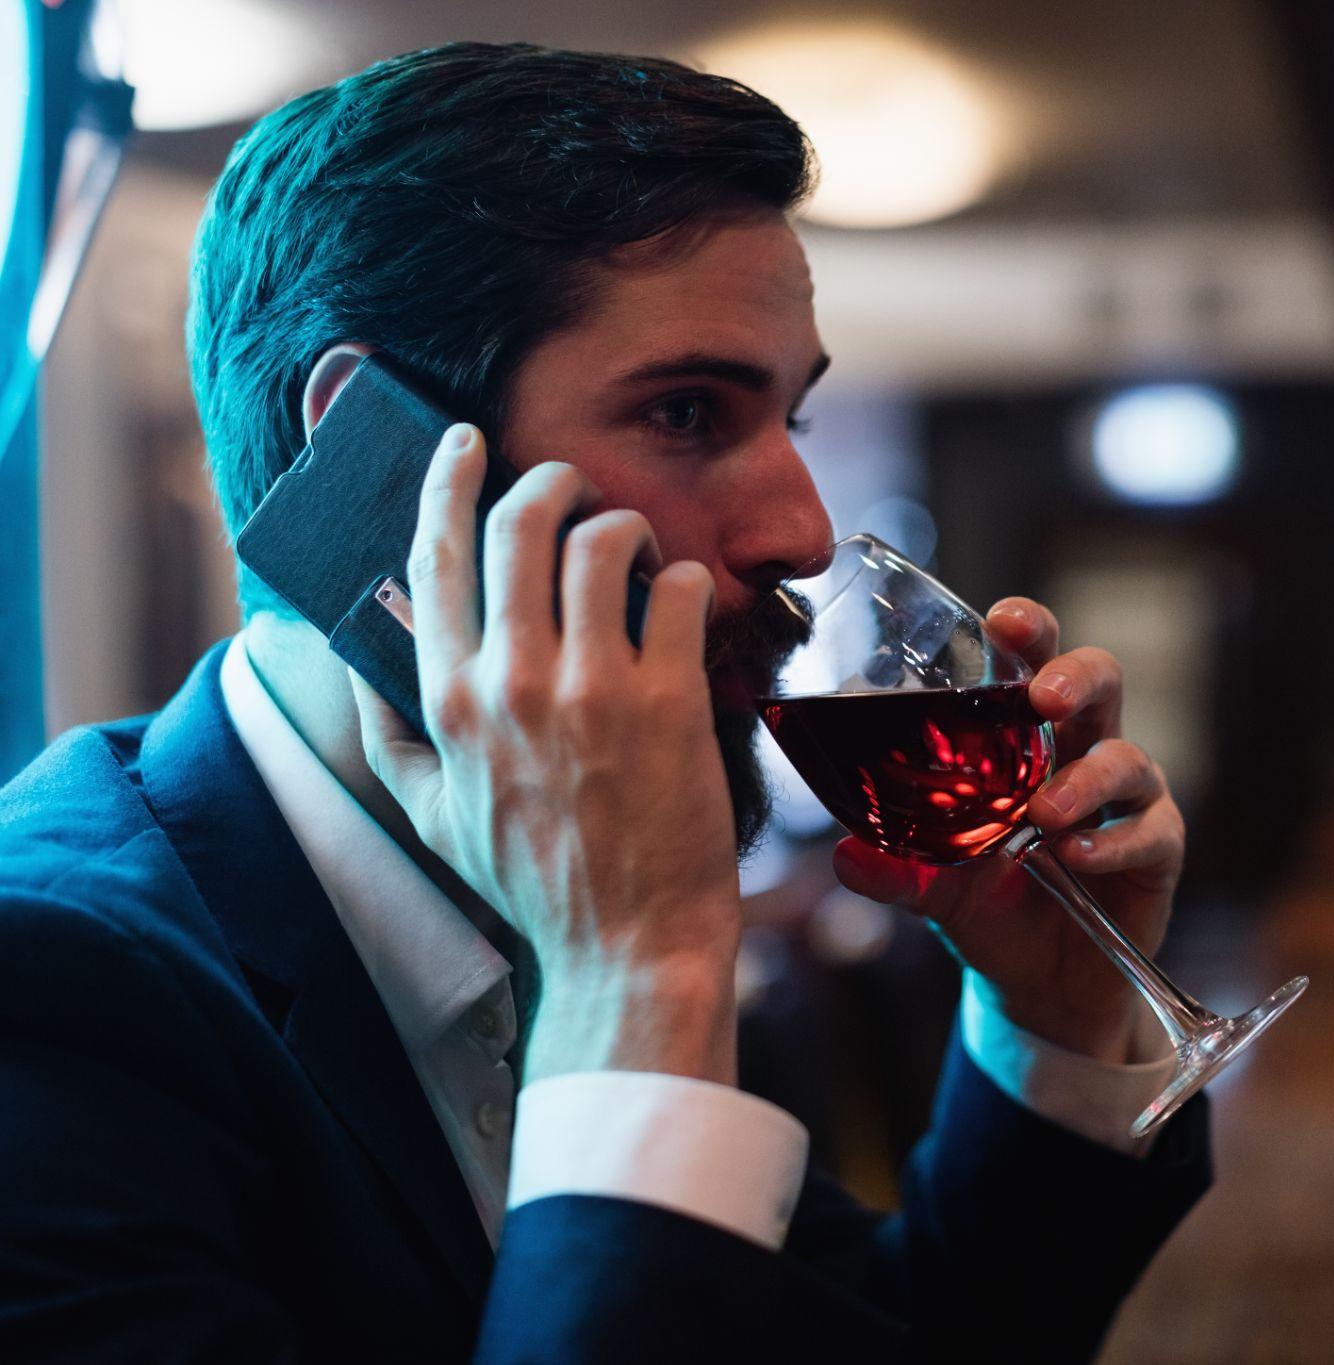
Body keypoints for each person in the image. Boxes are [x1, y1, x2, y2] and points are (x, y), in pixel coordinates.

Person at [0, 40, 1211, 1363]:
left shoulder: (535, 878)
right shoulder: (50, 995)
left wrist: (1058, 1018)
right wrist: (635, 983)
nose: (806, 531)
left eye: (789, 421)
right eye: (688, 411)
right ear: (383, 460)